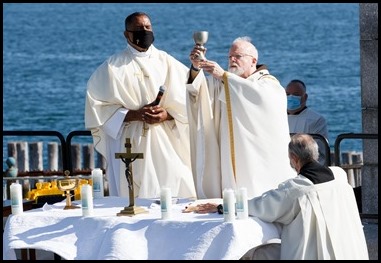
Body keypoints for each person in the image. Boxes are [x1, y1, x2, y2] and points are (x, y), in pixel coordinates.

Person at [195, 134, 369, 260]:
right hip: (349, 251)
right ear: (315, 154)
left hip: (312, 255)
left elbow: (261, 206)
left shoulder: (296, 189)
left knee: (255, 254)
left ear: (293, 158)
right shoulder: (339, 177)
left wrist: (223, 206)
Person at [84, 12, 196, 200]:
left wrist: (167, 114)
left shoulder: (167, 61)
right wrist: (135, 115)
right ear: (126, 34)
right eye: (138, 29)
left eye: (148, 28)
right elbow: (97, 109)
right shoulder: (112, 67)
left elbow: (191, 97)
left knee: (178, 185)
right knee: (133, 193)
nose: (144, 32)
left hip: (165, 139)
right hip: (129, 140)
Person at [186, 36, 296, 200]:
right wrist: (196, 68)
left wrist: (223, 75)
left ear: (253, 61)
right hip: (230, 164)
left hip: (258, 163)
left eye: (237, 56)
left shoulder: (269, 85)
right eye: (230, 57)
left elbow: (260, 97)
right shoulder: (225, 82)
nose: (232, 60)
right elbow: (197, 93)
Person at [286, 79, 329, 165]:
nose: (291, 97)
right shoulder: (277, 116)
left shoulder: (316, 120)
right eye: (287, 94)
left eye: (296, 94)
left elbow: (320, 153)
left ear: (305, 97)